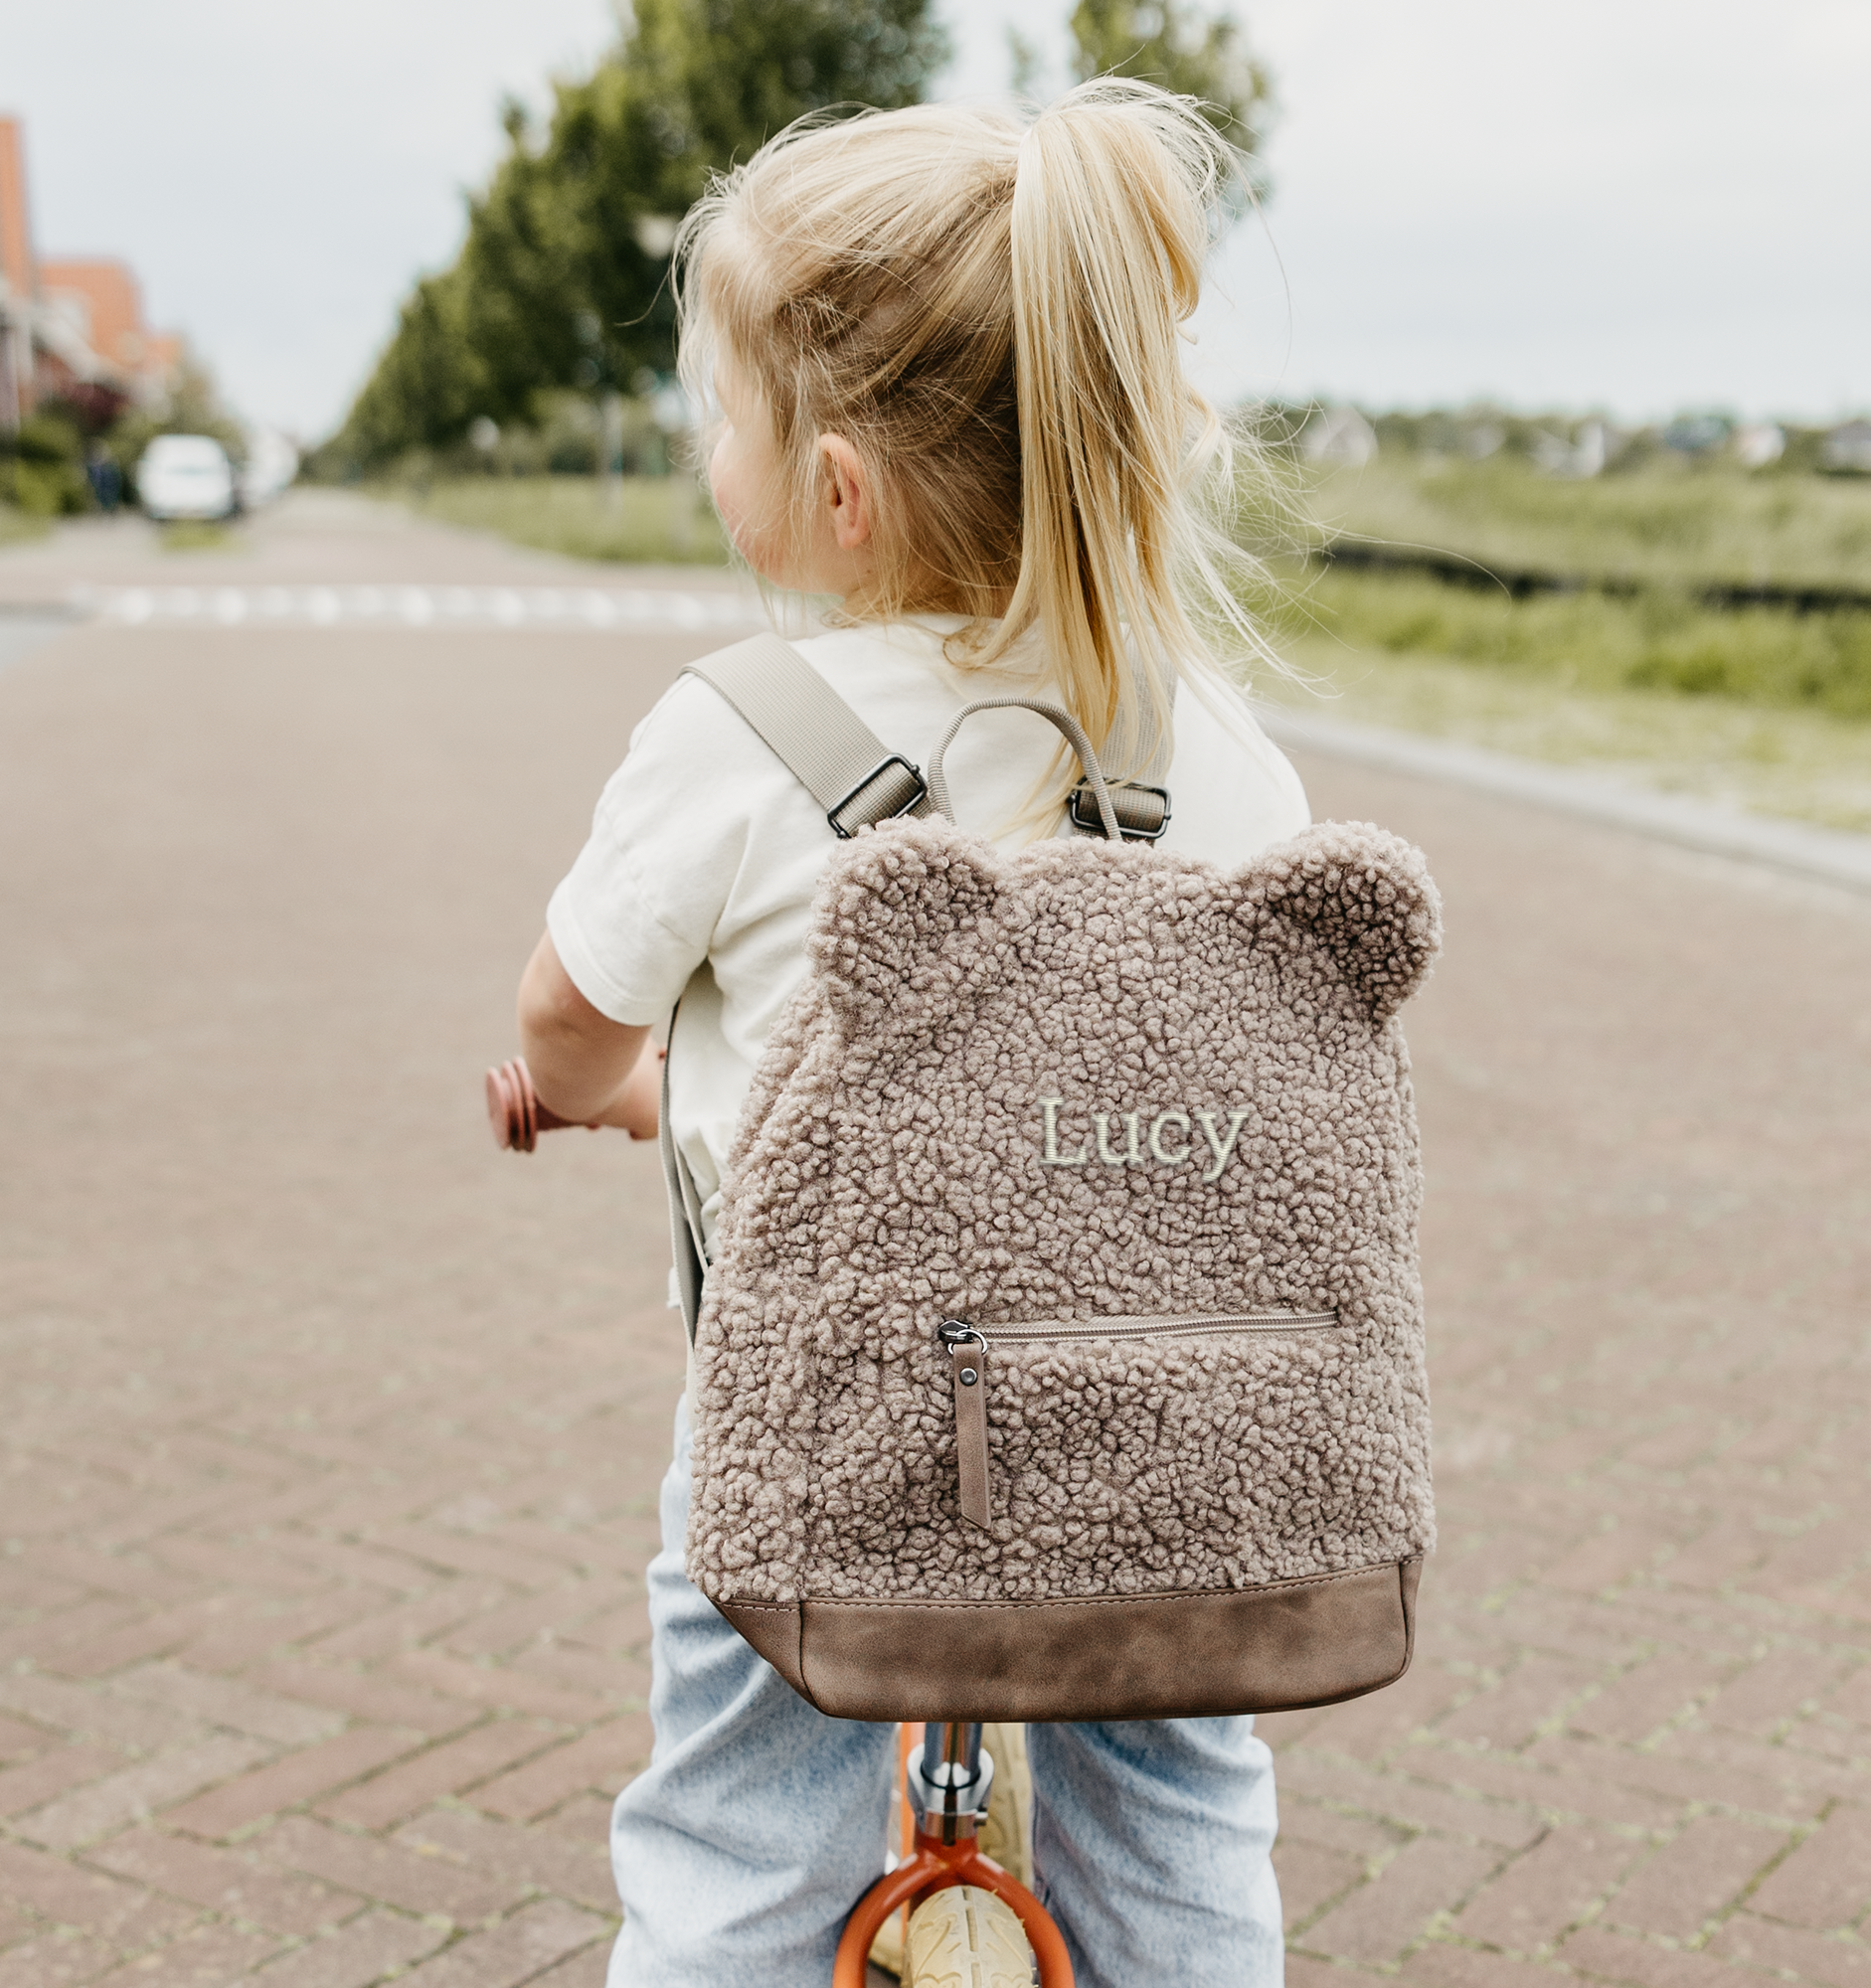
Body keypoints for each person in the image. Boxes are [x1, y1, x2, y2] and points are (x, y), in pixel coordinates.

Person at [515, 81, 1310, 1987]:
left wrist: (609, 1094)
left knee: (735, 1821)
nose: (713, 448)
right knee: (1183, 1815)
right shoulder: (1222, 755)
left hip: (820, 1441)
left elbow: (564, 1018)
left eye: (723, 414)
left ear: (839, 491)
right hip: (1149, 1433)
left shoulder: (738, 726)